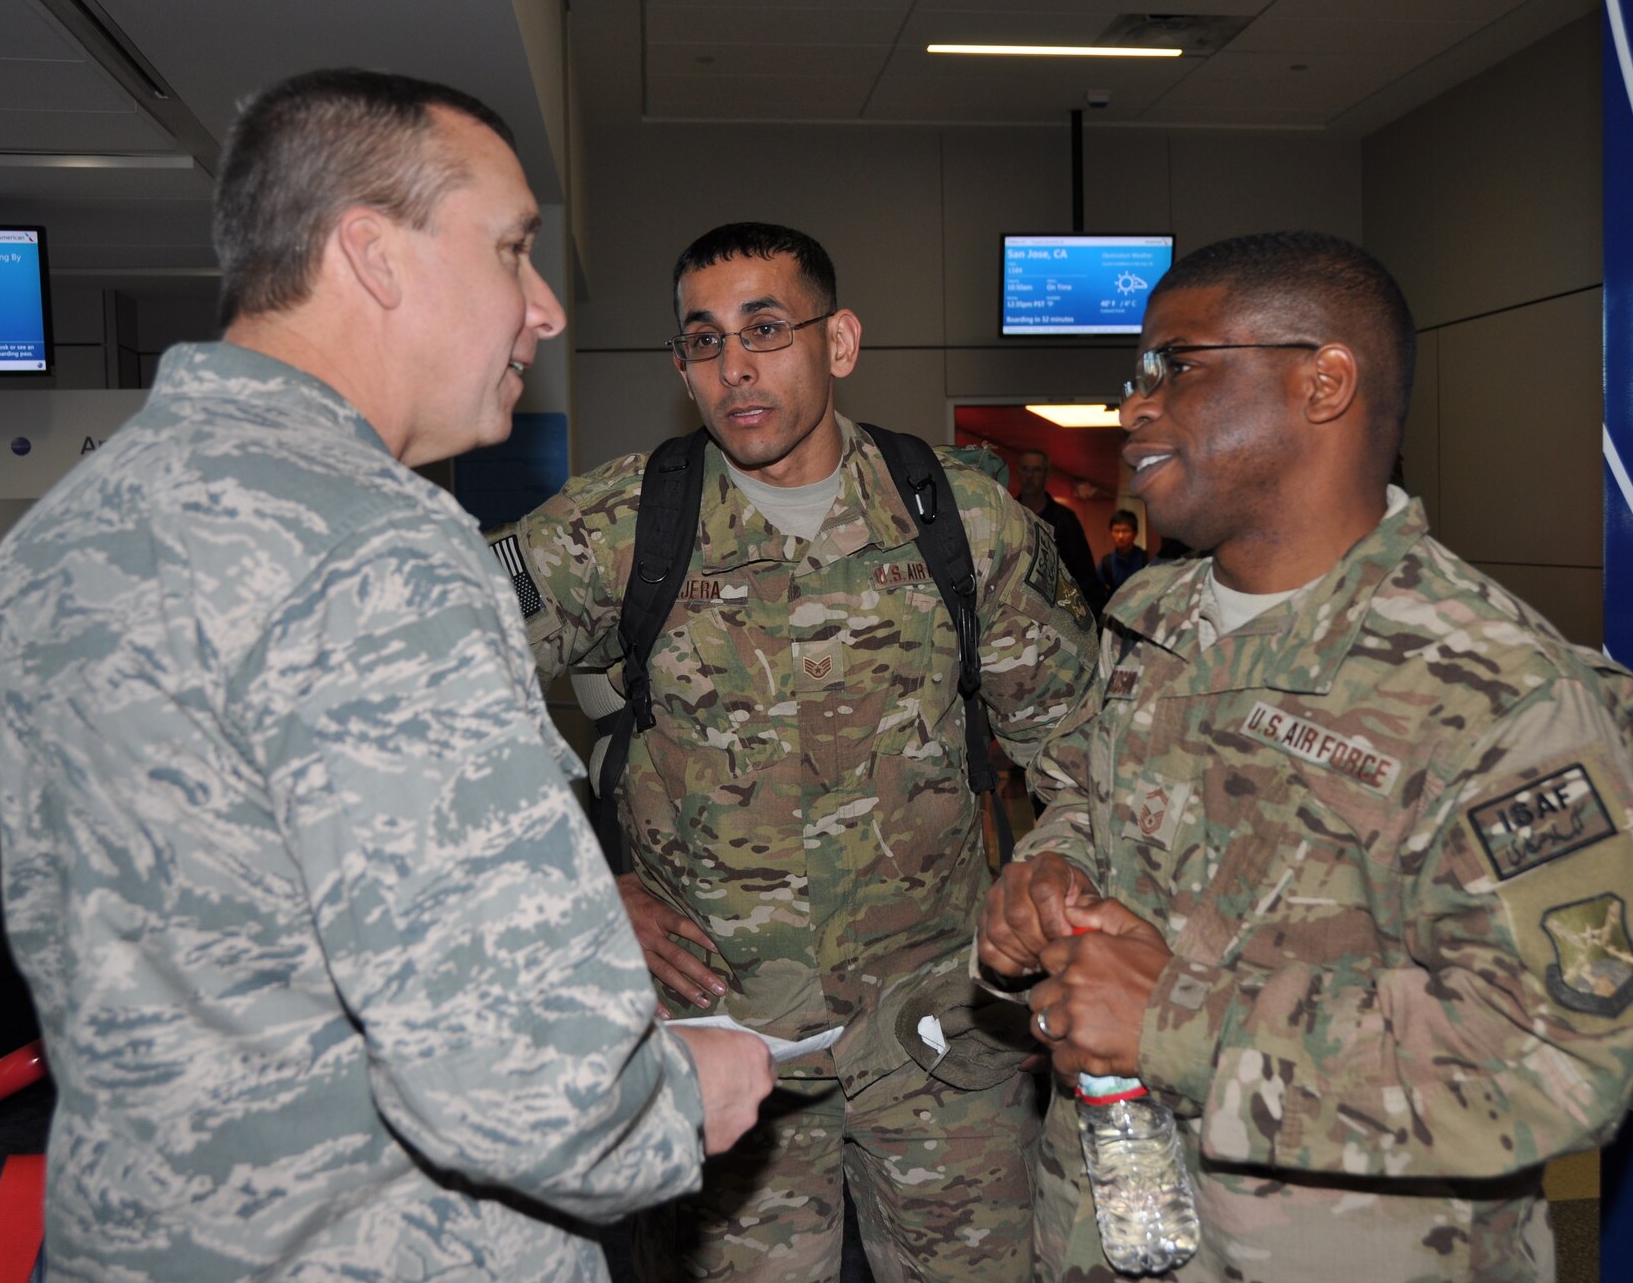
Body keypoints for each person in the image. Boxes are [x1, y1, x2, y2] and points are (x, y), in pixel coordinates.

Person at [0, 69, 774, 1281]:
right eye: (510, 249)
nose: (544, 307)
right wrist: (675, 1096)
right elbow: (516, 1080)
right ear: (373, 254)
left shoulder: (56, 541)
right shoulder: (374, 544)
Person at [978, 231, 1633, 1282]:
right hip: (1111, 1232)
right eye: (1136, 375)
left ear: (1324, 381)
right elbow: (1094, 798)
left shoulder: (1500, 690)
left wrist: (1171, 1017)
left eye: (1178, 366)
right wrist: (1047, 879)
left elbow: (1560, 1058)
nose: (1135, 407)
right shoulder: (1147, 617)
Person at [488, 222, 1098, 1282]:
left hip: (943, 1040)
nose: (735, 367)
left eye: (765, 329)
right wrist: (578, 889)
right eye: (704, 340)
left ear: (840, 341)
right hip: (727, 1045)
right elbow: (429, 688)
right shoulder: (623, 525)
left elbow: (1083, 746)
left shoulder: (958, 521)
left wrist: (1053, 886)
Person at [1013, 448, 1110, 619]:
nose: (1029, 476)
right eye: (1025, 469)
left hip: (1056, 614)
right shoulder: (1010, 515)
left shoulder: (1064, 520)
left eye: (1036, 470)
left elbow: (1084, 574)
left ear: (1046, 474)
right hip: (1015, 610)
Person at [1096, 508, 1149, 595]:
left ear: (1135, 533)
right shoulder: (1106, 563)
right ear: (1111, 533)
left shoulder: (1146, 559)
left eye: (1125, 531)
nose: (1120, 536)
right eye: (1116, 531)